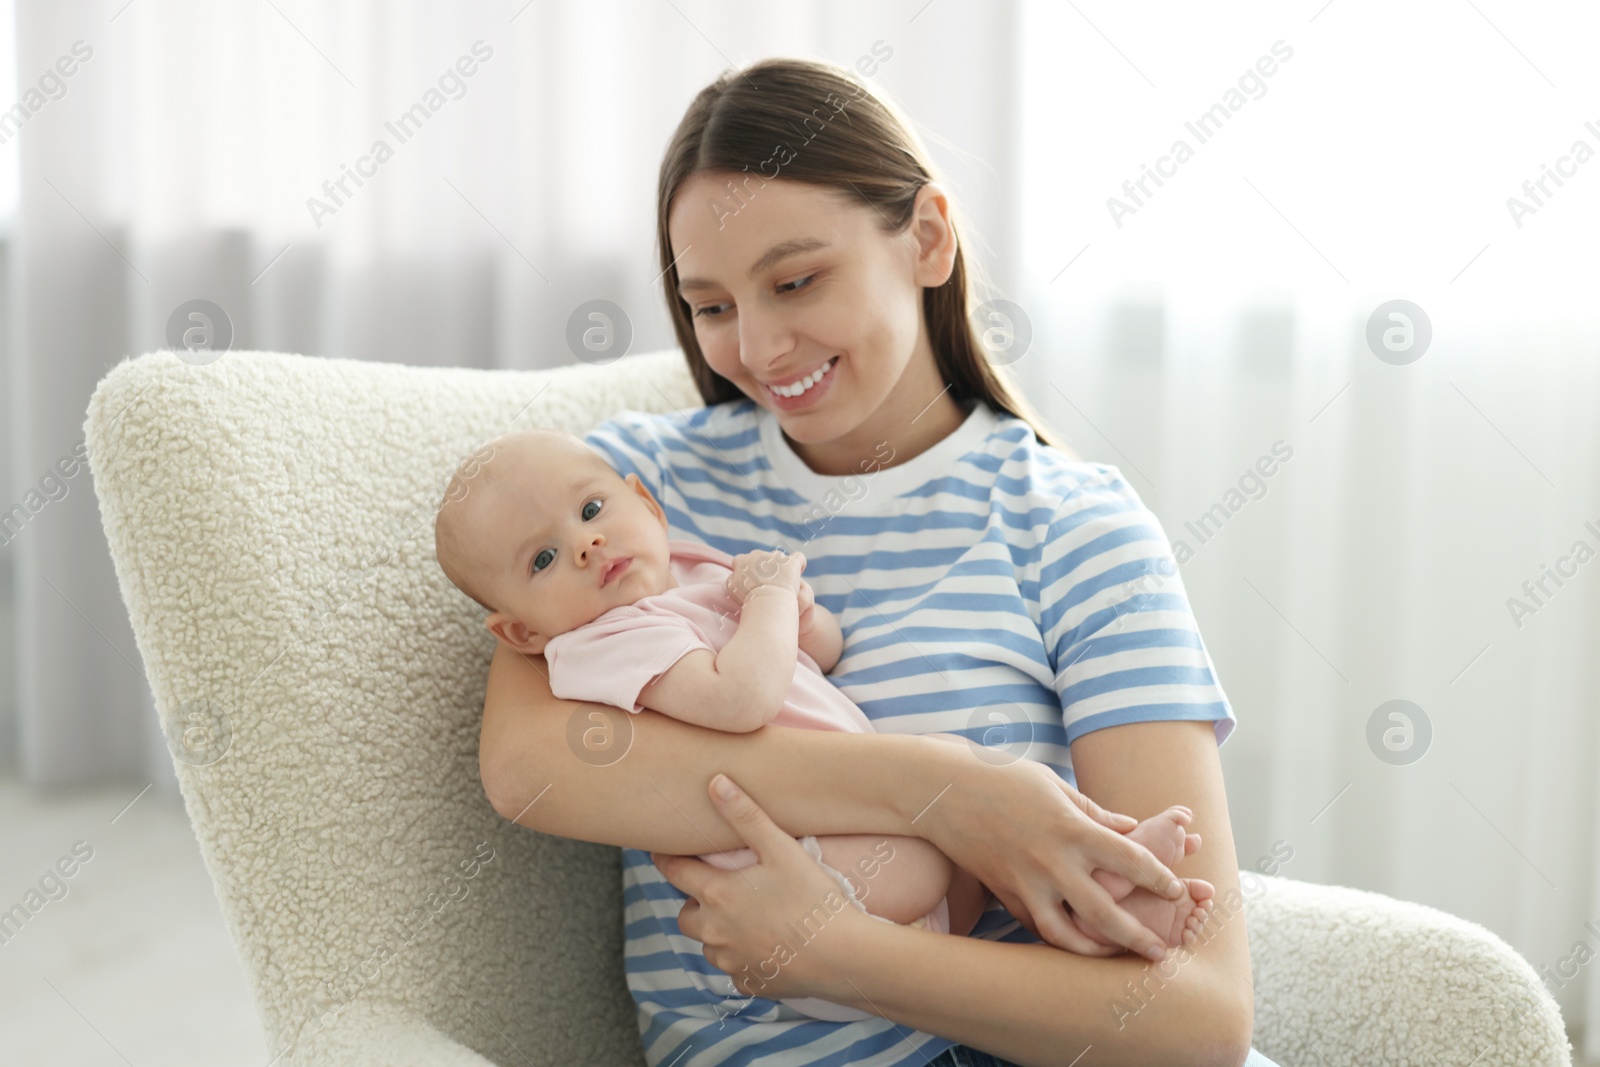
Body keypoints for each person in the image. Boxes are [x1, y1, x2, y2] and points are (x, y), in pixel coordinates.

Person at [477, 56, 1281, 1066]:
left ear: (928, 239)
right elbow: (531, 769)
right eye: (712, 305)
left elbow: (1200, 1017)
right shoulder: (628, 497)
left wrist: (839, 951)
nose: (762, 346)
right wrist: (941, 786)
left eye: (798, 279)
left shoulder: (1078, 530)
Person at [435, 429, 1217, 1025]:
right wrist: (772, 601)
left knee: (996, 810)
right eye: (542, 560)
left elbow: (823, 653)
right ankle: (1106, 891)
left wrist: (800, 618)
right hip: (803, 867)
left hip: (872, 850)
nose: (583, 542)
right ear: (521, 636)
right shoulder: (603, 642)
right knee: (950, 807)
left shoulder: (690, 572)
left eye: (593, 509)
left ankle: (1110, 881)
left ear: (645, 500)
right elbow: (739, 698)